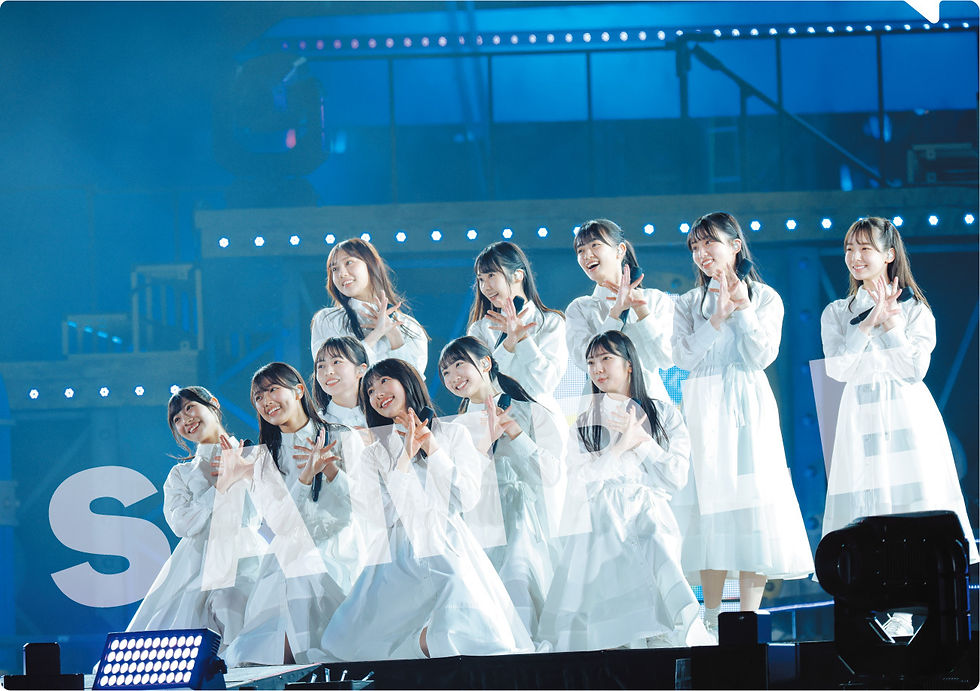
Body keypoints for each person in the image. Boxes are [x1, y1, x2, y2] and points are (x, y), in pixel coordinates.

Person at [820, 216, 978, 636]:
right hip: (860, 416)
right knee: (867, 502)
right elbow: (838, 369)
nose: (855, 257)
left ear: (889, 254)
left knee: (910, 501)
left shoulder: (915, 310)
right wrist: (868, 322)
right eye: (849, 249)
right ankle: (872, 603)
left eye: (865, 248)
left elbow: (913, 369)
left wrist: (890, 323)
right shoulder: (837, 312)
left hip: (906, 415)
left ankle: (911, 608)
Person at [321, 358, 533, 660]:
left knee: (472, 626)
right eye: (369, 390)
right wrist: (404, 460)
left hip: (448, 543)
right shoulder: (373, 454)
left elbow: (465, 499)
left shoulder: (453, 434)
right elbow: (381, 515)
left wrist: (432, 449)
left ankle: (426, 645)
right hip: (400, 554)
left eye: (384, 382)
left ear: (407, 382)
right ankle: (416, 647)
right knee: (359, 643)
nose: (377, 393)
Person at [671, 212, 813, 636]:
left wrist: (743, 309)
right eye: (695, 247)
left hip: (747, 404)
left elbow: (762, 355)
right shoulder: (687, 303)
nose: (701, 253)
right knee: (708, 504)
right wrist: (715, 318)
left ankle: (747, 617)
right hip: (702, 405)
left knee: (753, 504)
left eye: (709, 243)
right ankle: (712, 616)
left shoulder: (765, 297)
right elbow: (682, 357)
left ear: (735, 246)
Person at [537, 331, 713, 651]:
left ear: (628, 364)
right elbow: (580, 480)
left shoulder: (662, 413)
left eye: (606, 359)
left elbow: (675, 476)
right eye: (591, 362)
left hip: (648, 511)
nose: (597, 369)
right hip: (601, 518)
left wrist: (642, 442)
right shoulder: (584, 422)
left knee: (657, 567)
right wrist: (619, 448)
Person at [223, 362, 363, 666]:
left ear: (298, 390)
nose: (266, 401)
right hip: (288, 558)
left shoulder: (343, 436)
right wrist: (303, 478)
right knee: (261, 647)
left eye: (273, 389)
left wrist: (330, 470)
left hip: (339, 552)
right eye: (258, 397)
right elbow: (279, 523)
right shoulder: (264, 458)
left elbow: (361, 504)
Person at [438, 336, 565, 641]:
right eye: (445, 372)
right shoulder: (453, 428)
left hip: (520, 520)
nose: (453, 377)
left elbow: (551, 474)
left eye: (459, 364)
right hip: (476, 524)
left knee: (518, 589)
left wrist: (515, 433)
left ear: (485, 363)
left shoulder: (527, 409)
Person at [126, 387, 262, 656]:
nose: (185, 420)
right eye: (176, 419)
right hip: (198, 562)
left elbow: (274, 511)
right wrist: (220, 487)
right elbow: (181, 524)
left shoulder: (254, 455)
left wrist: (244, 472)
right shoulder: (181, 474)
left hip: (251, 554)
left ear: (213, 404)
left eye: (189, 408)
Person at [565, 219, 674, 401]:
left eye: (595, 245)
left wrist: (642, 310)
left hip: (650, 402)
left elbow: (666, 359)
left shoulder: (656, 300)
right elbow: (584, 361)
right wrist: (615, 313)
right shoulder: (579, 308)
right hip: (601, 405)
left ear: (620, 250)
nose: (587, 255)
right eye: (580, 250)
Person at [466, 241, 567, 415]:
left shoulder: (551, 322)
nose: (485, 287)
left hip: (540, 421)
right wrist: (508, 344)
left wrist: (523, 339)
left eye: (491, 275)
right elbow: (480, 384)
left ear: (518, 275)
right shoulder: (479, 329)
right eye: (481, 279)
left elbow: (546, 383)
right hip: (492, 420)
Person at [310, 237, 428, 376]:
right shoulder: (327, 320)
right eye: (334, 269)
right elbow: (330, 373)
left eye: (349, 262)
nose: (342, 274)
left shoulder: (408, 326)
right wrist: (376, 334)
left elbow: (412, 381)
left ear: (371, 264)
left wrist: (393, 334)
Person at [312, 336, 369, 429]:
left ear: (361, 370)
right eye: (321, 366)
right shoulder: (317, 425)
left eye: (336, 362)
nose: (328, 372)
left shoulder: (384, 413)